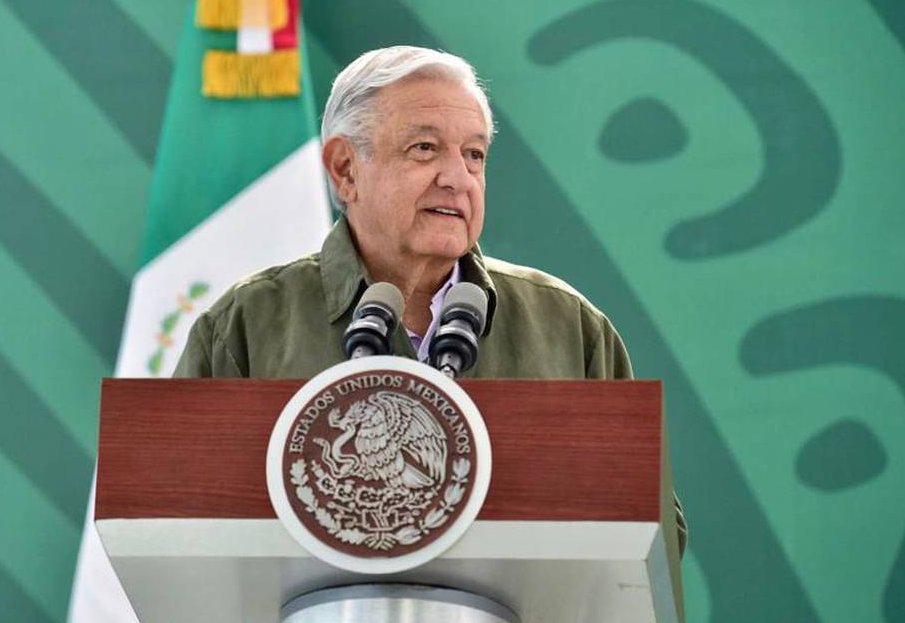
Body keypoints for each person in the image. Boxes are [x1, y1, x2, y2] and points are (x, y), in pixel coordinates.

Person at [174, 45, 686, 617]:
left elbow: (654, 533)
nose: (457, 179)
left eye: (474, 155)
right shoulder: (246, 325)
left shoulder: (567, 325)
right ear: (345, 170)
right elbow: (175, 519)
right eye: (425, 149)